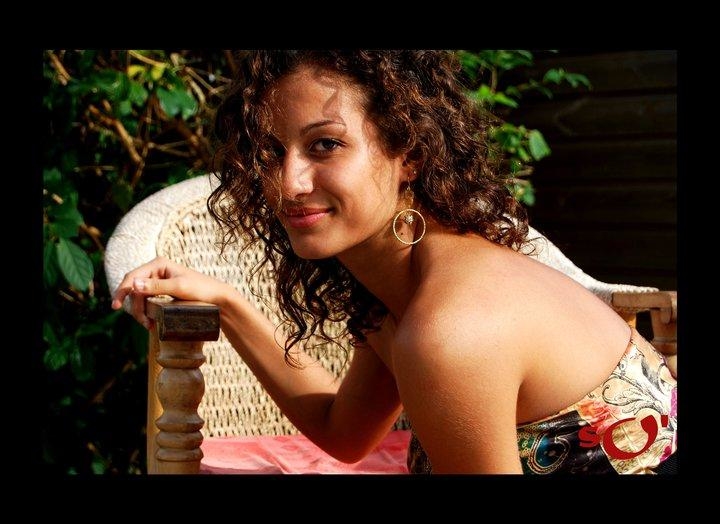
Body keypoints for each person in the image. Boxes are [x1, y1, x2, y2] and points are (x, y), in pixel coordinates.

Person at [111, 50, 677, 474]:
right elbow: (344, 432)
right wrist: (228, 302)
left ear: (409, 154)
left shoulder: (450, 328)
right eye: (270, 152)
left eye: (325, 144)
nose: (289, 183)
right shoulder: (405, 293)